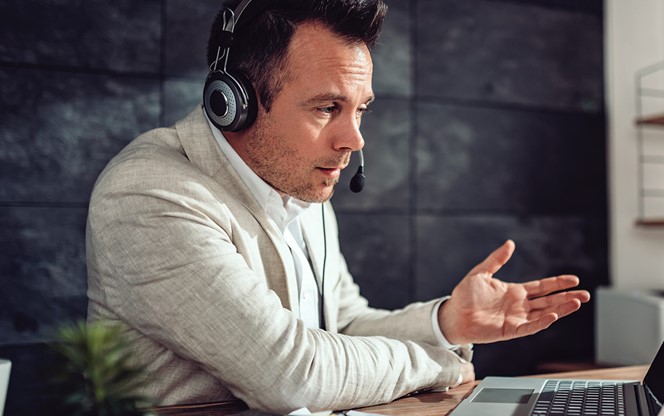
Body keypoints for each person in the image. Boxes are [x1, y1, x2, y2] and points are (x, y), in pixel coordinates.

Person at [85, 0, 591, 413]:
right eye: (328, 107)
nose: (353, 139)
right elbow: (291, 374)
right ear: (232, 101)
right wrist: (440, 363)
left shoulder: (300, 184)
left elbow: (342, 327)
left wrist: (446, 323)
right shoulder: (150, 193)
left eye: (360, 109)